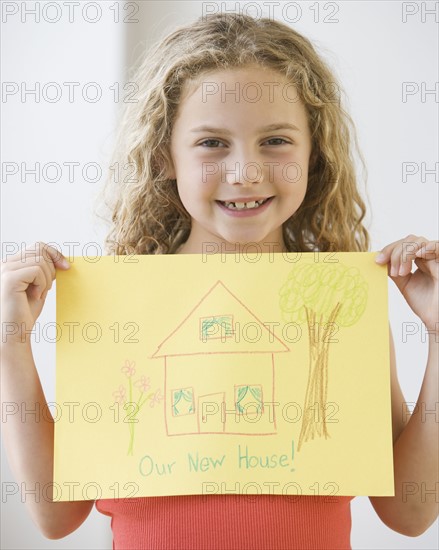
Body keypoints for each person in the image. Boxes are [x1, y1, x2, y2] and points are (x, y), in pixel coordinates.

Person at [1, 12, 437, 550]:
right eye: (211, 144)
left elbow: (411, 511)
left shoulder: (336, 307)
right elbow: (55, 516)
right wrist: (11, 343)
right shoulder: (117, 309)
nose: (245, 171)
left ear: (313, 154)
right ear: (165, 156)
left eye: (275, 140)